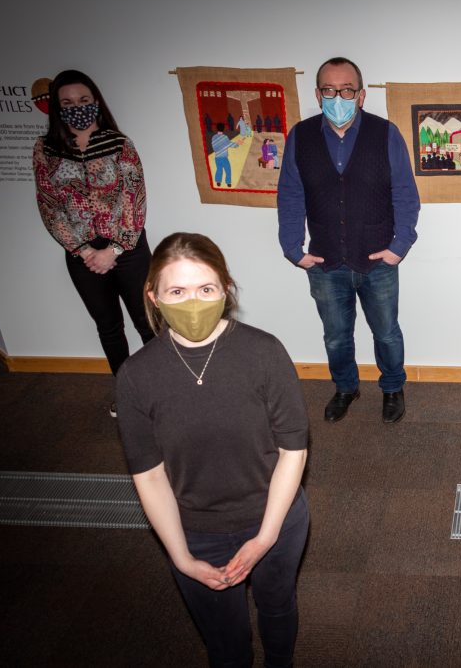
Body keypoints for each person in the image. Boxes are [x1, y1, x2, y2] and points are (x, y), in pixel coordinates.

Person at [116, 232, 309, 668]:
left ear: (226, 290)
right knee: (225, 642)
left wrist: (265, 536)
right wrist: (181, 556)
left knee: (278, 611)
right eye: (177, 291)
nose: (193, 303)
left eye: (206, 289)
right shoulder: (135, 376)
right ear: (154, 297)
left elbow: (293, 452)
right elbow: (148, 475)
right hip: (196, 531)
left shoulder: (265, 353)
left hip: (274, 517)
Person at [277, 56, 420, 424]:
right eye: (328, 89)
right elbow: (290, 195)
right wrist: (294, 250)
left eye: (345, 90)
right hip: (324, 264)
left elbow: (405, 194)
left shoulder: (386, 133)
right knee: (336, 337)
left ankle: (392, 388)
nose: (336, 97)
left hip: (378, 262)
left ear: (361, 95)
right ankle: (345, 387)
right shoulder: (301, 136)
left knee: (387, 334)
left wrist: (398, 248)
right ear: (318, 93)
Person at [33, 69, 155, 416]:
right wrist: (85, 251)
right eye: (68, 102)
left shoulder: (120, 144)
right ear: (57, 108)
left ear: (96, 102)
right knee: (109, 328)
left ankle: (162, 389)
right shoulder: (45, 150)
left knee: (148, 323)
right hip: (82, 254)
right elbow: (48, 204)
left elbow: (135, 198)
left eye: (84, 100)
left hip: (128, 250)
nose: (77, 107)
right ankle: (129, 393)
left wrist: (114, 249)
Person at [210, 123, 239, 188]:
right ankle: (228, 182)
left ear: (217, 128)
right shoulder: (224, 137)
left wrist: (217, 150)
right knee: (228, 169)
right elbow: (229, 144)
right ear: (223, 129)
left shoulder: (214, 137)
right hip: (224, 157)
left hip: (217, 157)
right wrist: (237, 144)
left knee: (219, 169)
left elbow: (213, 146)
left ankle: (218, 182)